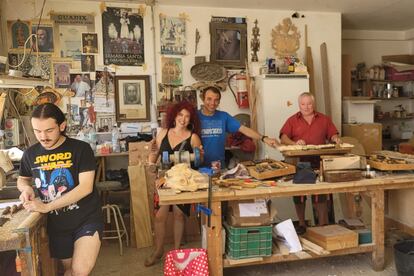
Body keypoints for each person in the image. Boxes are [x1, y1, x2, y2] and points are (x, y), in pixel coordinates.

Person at [17, 103, 103, 275]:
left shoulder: (81, 149)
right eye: (37, 131)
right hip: (57, 225)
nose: (43, 137)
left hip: (86, 218)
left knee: (79, 271)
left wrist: (46, 206)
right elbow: (22, 179)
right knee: (69, 271)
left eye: (49, 130)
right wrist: (25, 189)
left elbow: (85, 187)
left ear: (62, 126)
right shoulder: (30, 154)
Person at [144, 101, 202, 267]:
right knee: (160, 216)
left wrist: (200, 154)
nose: (183, 119)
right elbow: (155, 152)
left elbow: (199, 159)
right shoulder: (163, 133)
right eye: (180, 115)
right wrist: (151, 164)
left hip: (183, 180)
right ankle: (158, 250)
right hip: (164, 180)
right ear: (174, 116)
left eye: (187, 116)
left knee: (178, 215)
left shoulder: (193, 137)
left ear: (191, 119)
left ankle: (177, 253)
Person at [280, 92, 340, 233]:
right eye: (303, 104)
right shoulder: (292, 120)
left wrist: (336, 138)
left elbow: (333, 133)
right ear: (299, 104)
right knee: (299, 195)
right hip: (299, 162)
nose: (306, 107)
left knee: (320, 194)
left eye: (309, 104)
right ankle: (302, 224)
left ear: (313, 104)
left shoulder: (324, 119)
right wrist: (295, 143)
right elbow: (283, 138)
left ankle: (322, 225)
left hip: (319, 161)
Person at [198, 86, 279, 167]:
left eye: (216, 100)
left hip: (218, 166)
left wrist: (264, 138)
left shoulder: (223, 116)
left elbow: (244, 129)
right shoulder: (195, 116)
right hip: (199, 167)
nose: (212, 103)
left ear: (219, 101)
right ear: (203, 99)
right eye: (209, 99)